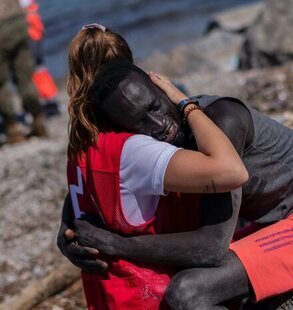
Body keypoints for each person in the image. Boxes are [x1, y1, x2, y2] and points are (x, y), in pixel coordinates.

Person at [58, 25, 293, 309]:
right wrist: (69, 231)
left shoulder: (222, 120)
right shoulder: (152, 139)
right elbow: (93, 178)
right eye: (140, 123)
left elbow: (211, 248)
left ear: (164, 89)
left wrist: (118, 245)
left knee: (188, 291)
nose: (158, 126)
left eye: (156, 107)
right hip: (279, 221)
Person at [64, 25, 248, 309]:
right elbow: (230, 173)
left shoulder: (82, 141)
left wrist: (66, 235)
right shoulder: (134, 149)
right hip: (149, 293)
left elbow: (81, 201)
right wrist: (185, 104)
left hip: (108, 295)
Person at [0, 0, 47, 143]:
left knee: (1, 84)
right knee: (25, 77)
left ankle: (13, 128)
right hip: (17, 19)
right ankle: (38, 119)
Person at [19, 0, 60, 117]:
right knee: (37, 68)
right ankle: (49, 101)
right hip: (31, 27)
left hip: (29, 29)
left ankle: (49, 102)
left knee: (35, 69)